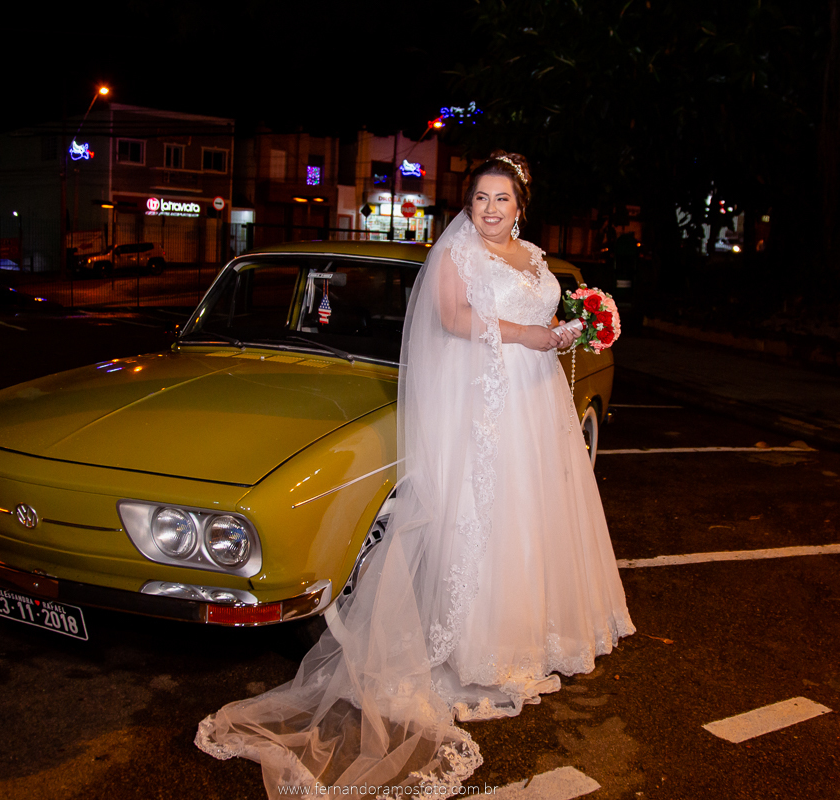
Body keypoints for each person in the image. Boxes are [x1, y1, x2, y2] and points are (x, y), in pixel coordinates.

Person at [196, 151, 635, 796]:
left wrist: (576, 328)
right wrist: (532, 337)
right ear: (469, 203)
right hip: (485, 404)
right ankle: (472, 650)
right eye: (480, 197)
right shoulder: (456, 254)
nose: (490, 209)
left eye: (502, 199)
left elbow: (549, 319)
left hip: (534, 400)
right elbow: (453, 320)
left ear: (521, 206)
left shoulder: (537, 259)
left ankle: (531, 639)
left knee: (532, 513)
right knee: (480, 517)